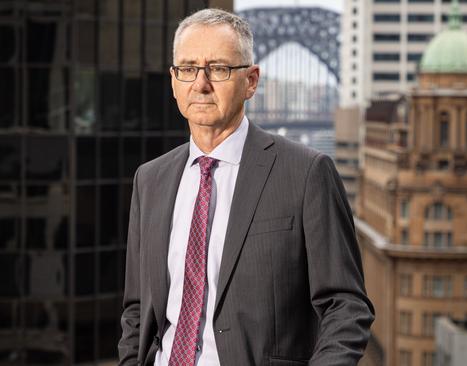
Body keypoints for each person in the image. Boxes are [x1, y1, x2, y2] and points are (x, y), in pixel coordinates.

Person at [117, 8, 374, 366]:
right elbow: (137, 308)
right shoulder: (150, 180)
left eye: (219, 69)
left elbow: (346, 307)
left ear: (251, 81)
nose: (201, 84)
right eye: (188, 69)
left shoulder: (306, 173)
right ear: (174, 81)